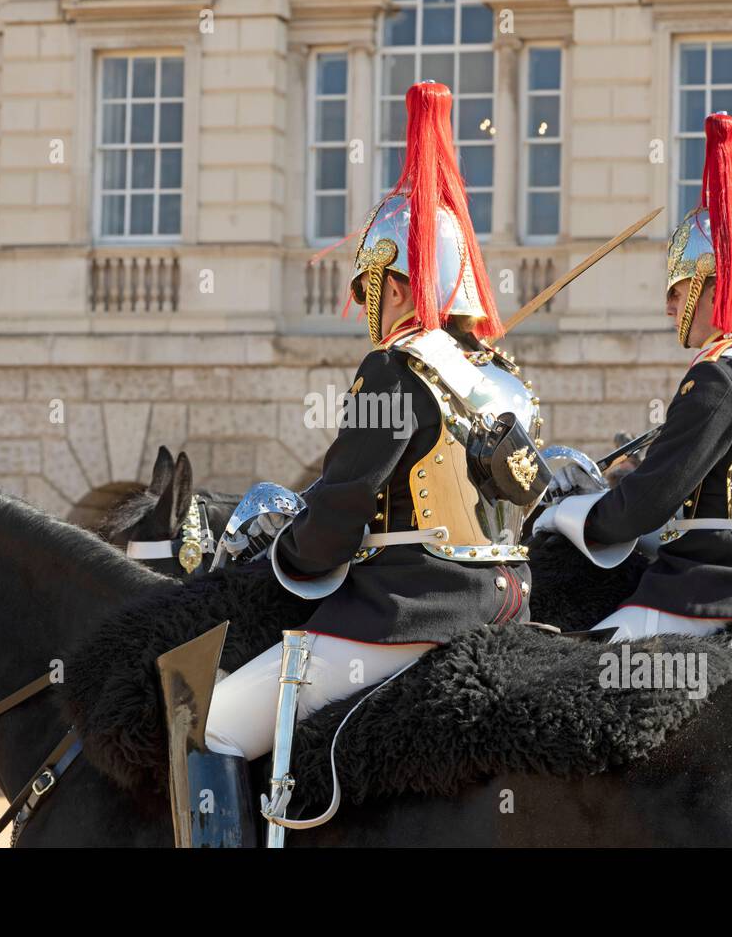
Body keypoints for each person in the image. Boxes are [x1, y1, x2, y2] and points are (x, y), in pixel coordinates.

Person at [162, 82, 549, 845]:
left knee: (212, 725)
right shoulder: (500, 380)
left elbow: (339, 512)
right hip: (510, 607)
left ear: (401, 283)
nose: (366, 302)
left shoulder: (394, 368)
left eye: (371, 284)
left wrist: (284, 553)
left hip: (407, 615)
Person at [537, 111, 732, 642]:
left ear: (707, 287)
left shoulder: (719, 381)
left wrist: (569, 514)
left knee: (585, 669)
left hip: (715, 586)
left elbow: (649, 503)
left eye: (675, 290)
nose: (669, 306)